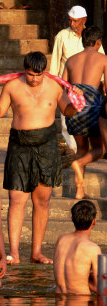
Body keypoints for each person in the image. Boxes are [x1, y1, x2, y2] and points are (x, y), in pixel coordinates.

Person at [0, 52, 79, 265]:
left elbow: (68, 110)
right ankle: (15, 253)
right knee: (17, 200)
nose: (34, 79)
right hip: (19, 145)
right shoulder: (12, 86)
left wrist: (76, 100)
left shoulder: (55, 87)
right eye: (30, 74)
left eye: (38, 75)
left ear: (43, 72)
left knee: (42, 201)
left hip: (46, 146)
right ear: (24, 70)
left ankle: (36, 251)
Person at [50, 5, 105, 151]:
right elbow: (55, 63)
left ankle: (81, 157)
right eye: (70, 20)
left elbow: (101, 60)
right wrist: (56, 89)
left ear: (84, 20)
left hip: (92, 91)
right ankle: (74, 154)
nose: (72, 24)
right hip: (69, 88)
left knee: (91, 127)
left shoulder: (92, 37)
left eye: (75, 21)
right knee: (67, 124)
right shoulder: (61, 36)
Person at [62, 26, 107, 199]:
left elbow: (63, 86)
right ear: (98, 42)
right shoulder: (103, 59)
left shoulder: (71, 60)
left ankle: (79, 191)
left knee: (82, 148)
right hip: (92, 111)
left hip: (73, 109)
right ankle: (78, 163)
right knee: (100, 148)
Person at [54, 200, 101, 294]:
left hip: (59, 298)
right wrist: (87, 279)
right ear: (94, 221)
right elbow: (99, 288)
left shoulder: (61, 240)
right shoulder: (92, 248)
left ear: (72, 218)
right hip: (80, 300)